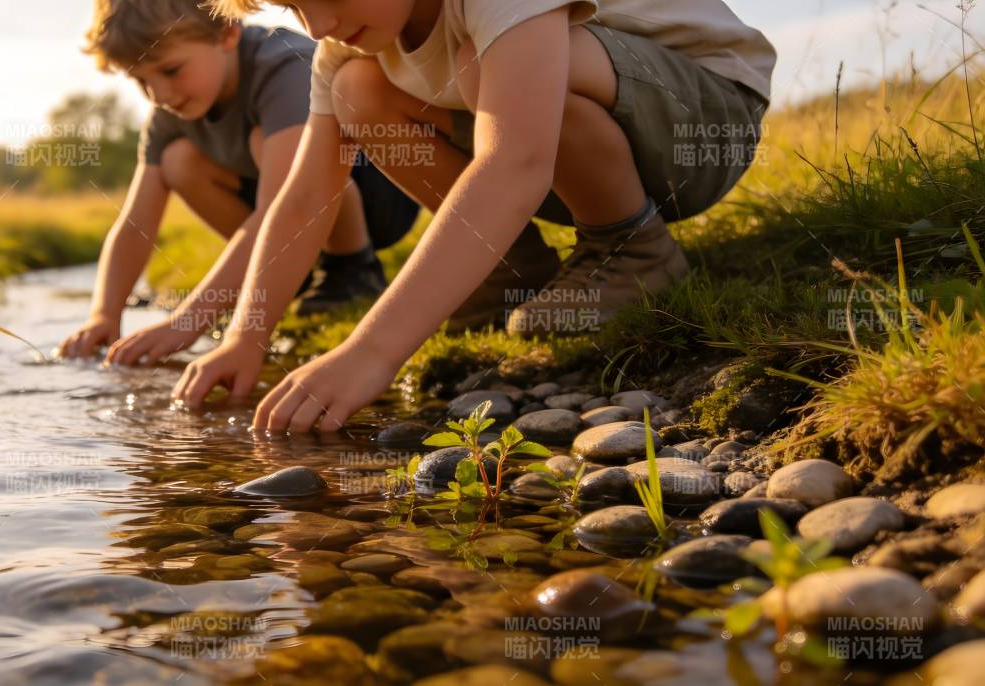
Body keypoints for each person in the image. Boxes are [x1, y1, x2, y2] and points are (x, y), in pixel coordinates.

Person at [173, 0, 775, 433]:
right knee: (358, 86)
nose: (318, 25)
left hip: (701, 123)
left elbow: (513, 160)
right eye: (293, 8)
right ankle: (508, 276)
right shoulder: (341, 48)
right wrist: (245, 337)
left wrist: (372, 352)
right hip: (576, 141)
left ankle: (634, 251)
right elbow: (304, 198)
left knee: (491, 58)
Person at [57, 0, 421, 365]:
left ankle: (352, 270)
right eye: (141, 80)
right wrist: (104, 314)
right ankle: (295, 275)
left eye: (171, 70)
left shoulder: (282, 67)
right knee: (177, 160)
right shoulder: (168, 110)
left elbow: (286, 201)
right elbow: (135, 224)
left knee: (265, 141)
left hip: (375, 198)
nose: (160, 96)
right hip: (286, 219)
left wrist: (189, 320)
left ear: (227, 33)